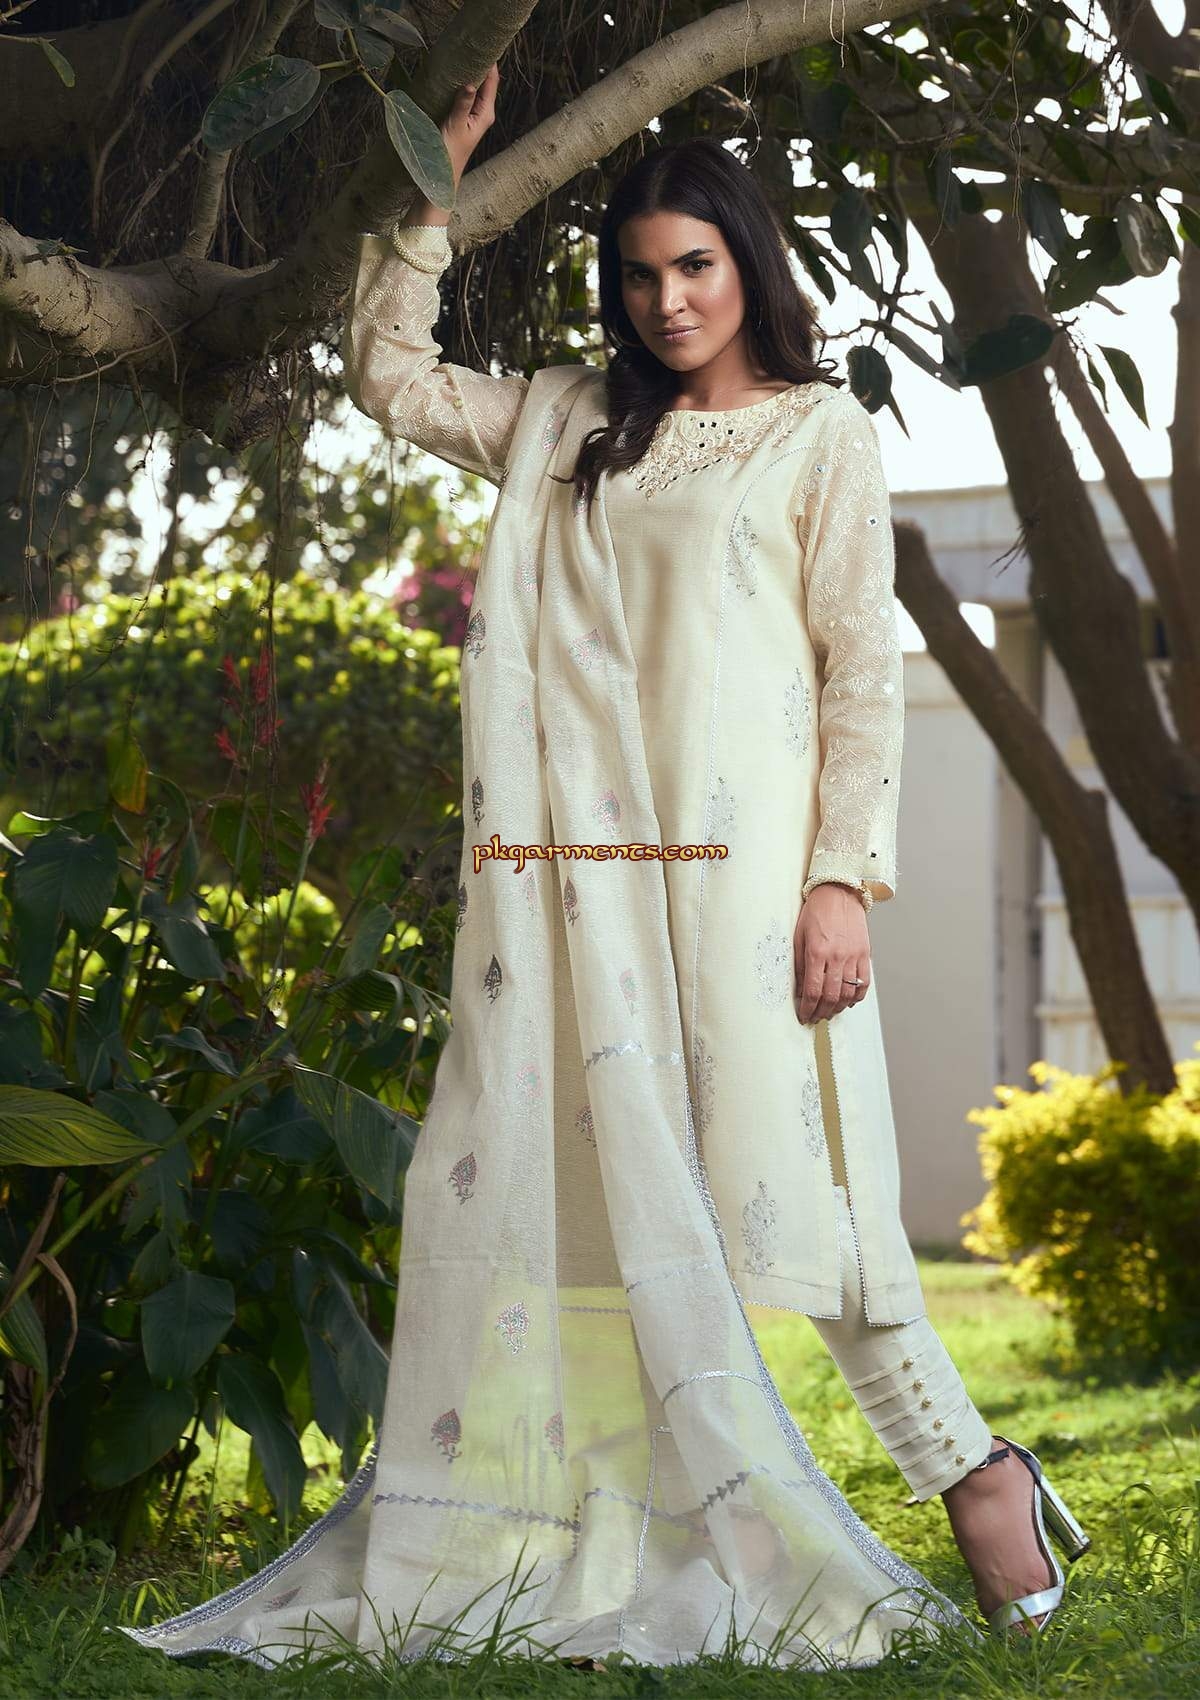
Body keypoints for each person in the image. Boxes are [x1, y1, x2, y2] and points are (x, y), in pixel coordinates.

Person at [119, 67, 1089, 1674]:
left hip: (753, 885)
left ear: (747, 261)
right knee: (604, 1215)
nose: (668, 300)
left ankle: (978, 1479)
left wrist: (840, 879)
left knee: (812, 1197)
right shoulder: (572, 423)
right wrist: (430, 193)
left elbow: (862, 668)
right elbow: (390, 376)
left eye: (694, 266)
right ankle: (629, 1536)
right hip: (590, 892)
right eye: (640, 275)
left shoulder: (820, 435)